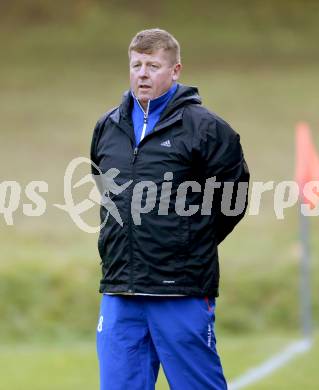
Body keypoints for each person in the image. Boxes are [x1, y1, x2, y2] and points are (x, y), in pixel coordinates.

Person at [91, 28, 249, 390]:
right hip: (121, 289)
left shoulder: (207, 129)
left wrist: (186, 241)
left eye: (153, 65)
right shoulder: (107, 127)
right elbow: (106, 191)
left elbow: (232, 200)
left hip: (180, 289)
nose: (142, 73)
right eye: (136, 64)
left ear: (175, 70)